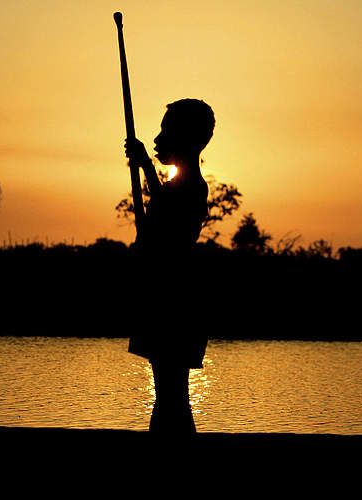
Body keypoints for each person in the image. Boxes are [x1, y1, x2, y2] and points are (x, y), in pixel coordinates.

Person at [123, 98, 214, 434]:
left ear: (187, 138)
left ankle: (172, 467)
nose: (158, 139)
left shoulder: (191, 187)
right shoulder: (183, 186)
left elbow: (165, 231)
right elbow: (163, 209)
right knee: (168, 395)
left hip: (174, 303)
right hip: (170, 300)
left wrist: (146, 165)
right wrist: (147, 165)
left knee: (171, 397)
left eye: (166, 131)